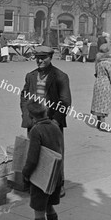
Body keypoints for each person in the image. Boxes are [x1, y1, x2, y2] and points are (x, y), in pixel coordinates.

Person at [20, 46, 72, 198]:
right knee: (33, 154)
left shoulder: (60, 76)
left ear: (51, 57)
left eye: (43, 57)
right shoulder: (31, 76)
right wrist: (26, 115)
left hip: (51, 123)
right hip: (34, 122)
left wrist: (55, 122)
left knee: (55, 155)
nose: (40, 61)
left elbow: (65, 101)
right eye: (37, 57)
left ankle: (58, 185)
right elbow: (24, 97)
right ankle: (35, 184)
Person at [22, 101, 64, 220]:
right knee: (49, 206)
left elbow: (32, 159)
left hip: (42, 178)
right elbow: (61, 151)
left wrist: (25, 174)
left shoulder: (36, 130)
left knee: (39, 210)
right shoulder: (55, 126)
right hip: (56, 175)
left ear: (32, 116)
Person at [91, 43, 111, 132]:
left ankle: (99, 123)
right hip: (105, 84)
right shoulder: (108, 63)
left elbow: (96, 73)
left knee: (98, 103)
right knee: (103, 104)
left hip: (98, 82)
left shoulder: (98, 62)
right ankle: (103, 125)